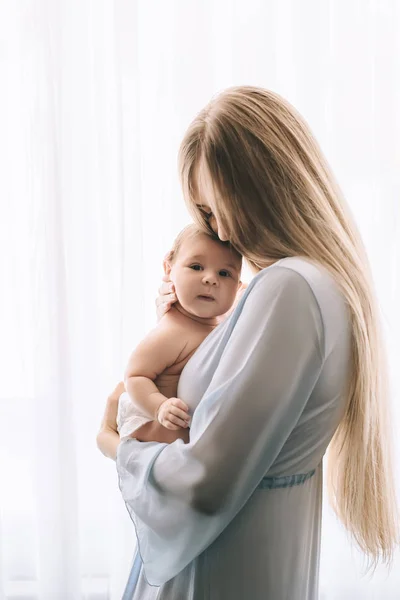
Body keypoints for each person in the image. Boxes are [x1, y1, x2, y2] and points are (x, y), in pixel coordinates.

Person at [96, 86, 398, 599]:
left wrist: (120, 445)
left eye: (218, 211)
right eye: (205, 219)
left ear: (264, 188)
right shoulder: (314, 286)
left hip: (219, 568)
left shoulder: (288, 289)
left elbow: (204, 484)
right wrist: (186, 339)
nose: (223, 235)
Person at [114, 223, 243, 445]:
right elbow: (135, 375)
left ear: (237, 285)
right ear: (168, 268)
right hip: (155, 437)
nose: (211, 279)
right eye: (196, 266)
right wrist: (159, 406)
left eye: (224, 273)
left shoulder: (222, 321)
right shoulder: (172, 330)